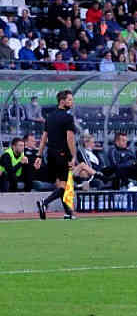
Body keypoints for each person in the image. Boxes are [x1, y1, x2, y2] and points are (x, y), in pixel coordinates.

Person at [35, 89, 77, 220]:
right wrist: (73, 156)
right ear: (62, 101)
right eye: (70, 100)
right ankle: (44, 203)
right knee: (64, 185)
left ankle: (68, 213)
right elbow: (70, 138)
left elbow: (43, 138)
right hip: (63, 154)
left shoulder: (50, 116)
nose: (72, 102)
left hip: (50, 154)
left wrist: (39, 156)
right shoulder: (67, 117)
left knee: (61, 185)